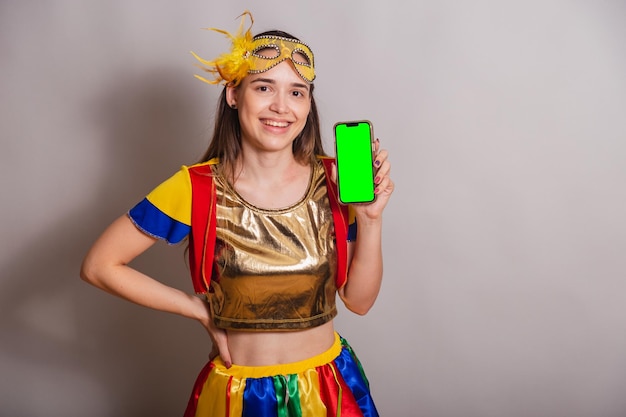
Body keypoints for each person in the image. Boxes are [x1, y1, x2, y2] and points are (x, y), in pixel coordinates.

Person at [80, 10, 393, 417]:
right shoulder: (196, 188)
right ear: (233, 93)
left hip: (330, 389)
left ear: (308, 103)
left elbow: (360, 302)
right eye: (264, 87)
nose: (281, 107)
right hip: (242, 397)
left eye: (297, 92)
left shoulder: (335, 181)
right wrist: (195, 308)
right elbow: (99, 265)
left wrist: (370, 220)